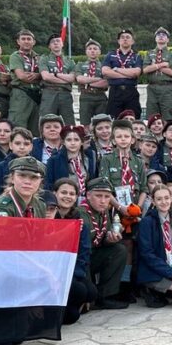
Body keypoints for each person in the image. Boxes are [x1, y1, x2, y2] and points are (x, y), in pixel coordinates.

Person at [48, 179, 97, 324]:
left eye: (72, 194)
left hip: (71, 271)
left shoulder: (80, 221)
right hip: (51, 272)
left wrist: (74, 275)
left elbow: (84, 254)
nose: (67, 196)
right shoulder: (47, 215)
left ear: (76, 197)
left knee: (90, 292)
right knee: (78, 292)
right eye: (63, 192)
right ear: (54, 193)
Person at [79, 177, 130, 309]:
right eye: (98, 196)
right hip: (82, 260)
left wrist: (110, 239)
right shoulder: (81, 213)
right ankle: (89, 297)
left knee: (119, 250)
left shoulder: (104, 211)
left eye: (107, 196)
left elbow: (102, 240)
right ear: (88, 195)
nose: (103, 201)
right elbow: (81, 251)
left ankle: (106, 296)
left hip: (94, 255)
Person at [0, 127, 33, 208]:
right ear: (11, 145)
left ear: (31, 146)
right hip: (5, 210)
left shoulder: (37, 167)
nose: (22, 147)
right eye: (17, 143)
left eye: (26, 144)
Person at [102, 29, 144, 120]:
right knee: (113, 119)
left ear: (132, 41)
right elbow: (105, 72)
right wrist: (128, 74)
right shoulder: (110, 55)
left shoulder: (137, 56)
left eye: (128, 37)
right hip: (115, 91)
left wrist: (116, 69)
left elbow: (136, 73)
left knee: (133, 118)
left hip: (131, 91)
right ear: (118, 41)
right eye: (122, 37)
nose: (125, 39)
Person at [45, 125, 97, 197]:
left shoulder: (90, 158)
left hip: (85, 201)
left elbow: (94, 181)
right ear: (63, 142)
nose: (73, 143)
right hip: (63, 200)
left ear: (82, 142)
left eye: (76, 140)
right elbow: (49, 185)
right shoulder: (54, 160)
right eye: (69, 140)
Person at [8, 30, 43, 136]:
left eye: (29, 39)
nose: (26, 41)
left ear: (34, 42)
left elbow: (44, 76)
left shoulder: (38, 58)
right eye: (23, 39)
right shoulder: (15, 56)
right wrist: (39, 76)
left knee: (36, 127)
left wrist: (38, 75)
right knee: (18, 125)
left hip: (36, 94)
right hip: (21, 93)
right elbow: (22, 76)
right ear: (18, 42)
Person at [38, 33, 77, 127]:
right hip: (49, 94)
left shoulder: (69, 61)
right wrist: (65, 80)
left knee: (69, 123)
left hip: (65, 94)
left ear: (62, 44)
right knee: (47, 122)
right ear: (49, 46)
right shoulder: (44, 59)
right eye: (52, 42)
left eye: (58, 41)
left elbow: (72, 78)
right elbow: (46, 76)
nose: (55, 43)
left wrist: (55, 75)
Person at [142, 27, 172, 120]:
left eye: (164, 35)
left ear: (168, 39)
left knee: (168, 116)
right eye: (158, 35)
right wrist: (162, 65)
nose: (161, 37)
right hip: (152, 87)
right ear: (155, 39)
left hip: (166, 88)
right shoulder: (149, 53)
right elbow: (145, 70)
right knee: (152, 117)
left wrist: (154, 66)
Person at [75, 39, 110, 125]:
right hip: (85, 96)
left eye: (95, 49)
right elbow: (79, 79)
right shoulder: (80, 65)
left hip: (100, 97)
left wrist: (88, 82)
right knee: (85, 123)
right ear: (86, 51)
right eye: (90, 49)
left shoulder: (104, 66)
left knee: (102, 123)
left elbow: (106, 82)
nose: (92, 51)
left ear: (99, 51)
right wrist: (98, 79)